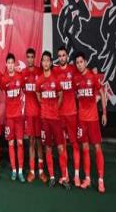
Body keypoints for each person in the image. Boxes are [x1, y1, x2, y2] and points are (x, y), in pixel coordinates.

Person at [73, 52, 107, 193]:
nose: (79, 65)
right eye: (77, 63)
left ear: (85, 62)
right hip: (82, 120)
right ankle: (87, 178)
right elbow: (75, 96)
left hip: (93, 119)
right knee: (85, 148)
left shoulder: (92, 76)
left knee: (97, 148)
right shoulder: (76, 79)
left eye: (81, 62)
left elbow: (102, 93)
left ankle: (100, 180)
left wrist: (104, 113)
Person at [36, 51, 70, 189]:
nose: (45, 63)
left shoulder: (56, 79)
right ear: (42, 63)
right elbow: (38, 94)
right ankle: (51, 177)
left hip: (56, 119)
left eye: (47, 60)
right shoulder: (39, 80)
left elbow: (60, 95)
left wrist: (55, 108)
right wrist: (44, 106)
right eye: (43, 60)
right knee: (48, 147)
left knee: (60, 147)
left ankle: (64, 177)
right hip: (44, 119)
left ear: (51, 63)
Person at [54, 46, 80, 187]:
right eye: (59, 56)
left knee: (75, 144)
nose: (62, 58)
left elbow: (86, 72)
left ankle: (76, 175)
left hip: (72, 114)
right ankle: (65, 175)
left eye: (64, 55)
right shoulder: (55, 71)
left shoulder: (73, 69)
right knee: (61, 146)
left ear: (67, 56)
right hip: (59, 115)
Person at [22, 48, 47, 183]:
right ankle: (32, 171)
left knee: (39, 142)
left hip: (40, 113)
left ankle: (41, 171)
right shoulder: (23, 73)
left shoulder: (40, 72)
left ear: (35, 58)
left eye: (32, 57)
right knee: (31, 141)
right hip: (29, 113)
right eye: (28, 57)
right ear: (26, 58)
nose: (30, 59)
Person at [1, 53, 25, 182]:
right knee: (11, 143)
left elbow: (26, 88)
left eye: (12, 63)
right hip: (9, 117)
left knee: (20, 143)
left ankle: (20, 170)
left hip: (19, 117)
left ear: (14, 64)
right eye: (8, 63)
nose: (10, 65)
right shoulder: (4, 79)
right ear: (6, 64)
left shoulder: (20, 77)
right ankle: (14, 170)